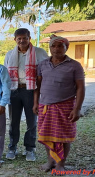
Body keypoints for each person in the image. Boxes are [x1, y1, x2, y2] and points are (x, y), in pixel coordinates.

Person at [33, 36, 85, 172]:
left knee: (64, 137)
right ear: (49, 48)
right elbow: (37, 87)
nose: (56, 49)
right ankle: (50, 162)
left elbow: (80, 87)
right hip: (45, 107)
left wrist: (77, 108)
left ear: (66, 48)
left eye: (60, 46)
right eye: (53, 46)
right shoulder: (42, 65)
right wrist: (35, 103)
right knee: (47, 135)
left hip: (66, 107)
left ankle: (60, 164)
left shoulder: (75, 65)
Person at [4, 28, 48, 161]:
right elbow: (6, 74)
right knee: (13, 121)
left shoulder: (40, 53)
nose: (22, 41)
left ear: (29, 38)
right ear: (15, 40)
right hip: (14, 90)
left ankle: (30, 148)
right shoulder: (9, 54)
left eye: (25, 38)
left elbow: (46, 71)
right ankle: (12, 147)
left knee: (32, 121)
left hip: (31, 90)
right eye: (19, 38)